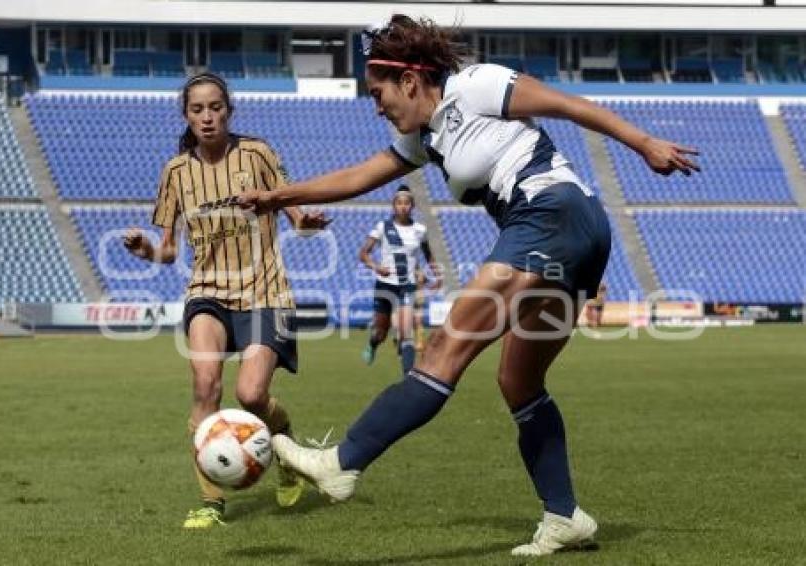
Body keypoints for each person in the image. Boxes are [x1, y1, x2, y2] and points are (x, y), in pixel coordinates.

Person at [239, 15, 699, 556]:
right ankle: (565, 515)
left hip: (551, 213)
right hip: (572, 234)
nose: (376, 105)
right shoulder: (422, 138)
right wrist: (278, 197)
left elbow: (569, 106)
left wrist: (644, 142)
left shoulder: (476, 85)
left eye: (378, 91)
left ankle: (343, 462)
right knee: (518, 383)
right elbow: (358, 177)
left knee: (443, 349)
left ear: (410, 80)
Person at [123, 72, 330, 529]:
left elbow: (297, 218)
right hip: (207, 292)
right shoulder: (176, 171)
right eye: (197, 110)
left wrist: (311, 221)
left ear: (228, 110)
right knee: (205, 387)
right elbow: (170, 250)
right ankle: (211, 502)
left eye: (215, 107)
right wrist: (147, 252)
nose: (207, 117)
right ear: (186, 116)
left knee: (251, 394)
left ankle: (288, 450)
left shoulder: (257, 153)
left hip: (264, 290)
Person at [359, 184, 441, 373]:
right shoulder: (383, 227)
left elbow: (429, 255)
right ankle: (373, 344)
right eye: (399, 203)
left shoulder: (420, 230)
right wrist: (376, 267)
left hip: (407, 285)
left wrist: (437, 276)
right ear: (393, 205)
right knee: (381, 331)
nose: (403, 206)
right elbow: (363, 254)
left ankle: (408, 377)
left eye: (407, 203)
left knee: (406, 331)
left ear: (412, 206)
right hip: (385, 285)